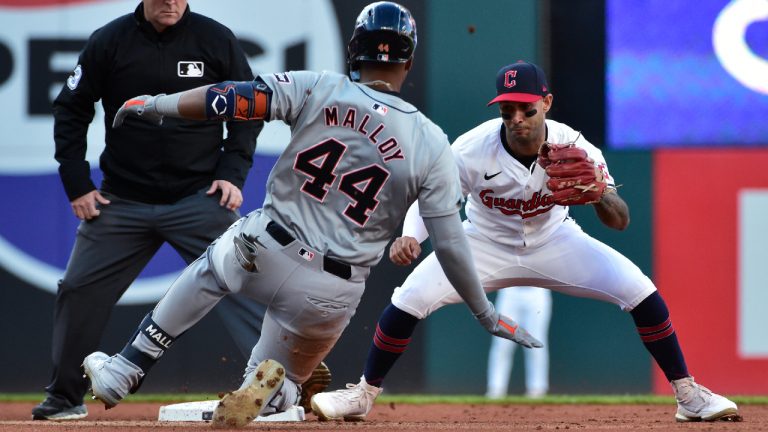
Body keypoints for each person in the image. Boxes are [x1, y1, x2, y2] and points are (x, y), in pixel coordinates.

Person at [80, 2, 542, 428]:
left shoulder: (320, 86)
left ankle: (126, 368)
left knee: (211, 269)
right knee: (278, 387)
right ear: (409, 61)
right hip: (332, 292)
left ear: (354, 49)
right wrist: (483, 312)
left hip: (264, 248)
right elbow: (450, 244)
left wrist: (159, 104)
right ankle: (278, 402)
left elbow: (229, 98)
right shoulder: (432, 142)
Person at [310, 61, 742, 423]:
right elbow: (432, 203)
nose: (517, 118)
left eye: (527, 109)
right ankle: (362, 396)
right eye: (508, 109)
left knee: (641, 291)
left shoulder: (575, 146)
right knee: (407, 301)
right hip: (482, 244)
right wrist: (409, 236)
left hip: (555, 240)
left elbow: (620, 221)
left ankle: (688, 396)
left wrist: (600, 193)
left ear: (546, 104)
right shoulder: (471, 149)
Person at [32, 0, 268, 421]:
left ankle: (282, 383)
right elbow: (71, 106)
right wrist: (77, 183)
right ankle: (65, 396)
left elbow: (248, 109)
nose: (171, 3)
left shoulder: (215, 39)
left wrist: (233, 172)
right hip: (123, 200)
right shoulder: (110, 41)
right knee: (78, 288)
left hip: (199, 199)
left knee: (251, 281)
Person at [486, 287, 551, 399]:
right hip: (510, 291)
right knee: (502, 345)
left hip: (536, 292)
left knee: (536, 344)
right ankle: (496, 389)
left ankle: (537, 389)